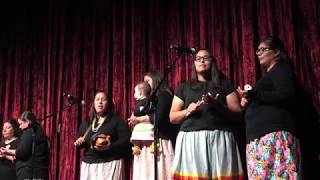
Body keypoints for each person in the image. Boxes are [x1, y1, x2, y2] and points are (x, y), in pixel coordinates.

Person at [170, 48, 244, 179]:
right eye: (198, 58)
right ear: (194, 63)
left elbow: (238, 114)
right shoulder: (184, 87)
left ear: (212, 62)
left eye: (206, 58)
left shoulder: (224, 85)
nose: (202, 61)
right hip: (191, 139)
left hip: (220, 138)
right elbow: (173, 117)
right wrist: (188, 111)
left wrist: (217, 105)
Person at [237, 36, 301, 179]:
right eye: (257, 50)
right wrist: (247, 102)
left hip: (274, 135)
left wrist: (254, 94)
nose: (258, 53)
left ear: (276, 52)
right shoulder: (268, 75)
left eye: (263, 49)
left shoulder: (281, 69)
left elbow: (286, 95)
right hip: (260, 138)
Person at [128, 70, 178, 180]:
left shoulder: (164, 95)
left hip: (159, 142)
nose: (145, 84)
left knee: (160, 174)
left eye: (147, 81)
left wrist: (138, 119)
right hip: (145, 143)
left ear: (156, 80)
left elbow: (159, 118)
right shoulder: (149, 101)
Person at [74, 91, 130, 180]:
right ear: (93, 103)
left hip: (110, 164)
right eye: (97, 99)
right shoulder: (87, 121)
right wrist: (79, 142)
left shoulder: (116, 120)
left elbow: (126, 140)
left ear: (108, 103)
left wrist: (110, 146)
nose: (100, 102)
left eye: (103, 100)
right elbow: (79, 140)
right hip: (89, 165)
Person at [1, 111, 49, 180]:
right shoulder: (37, 131)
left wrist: (7, 151)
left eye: (21, 124)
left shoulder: (29, 131)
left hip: (31, 174)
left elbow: (22, 152)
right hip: (36, 173)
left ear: (27, 122)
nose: (20, 127)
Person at [129, 81, 154, 155]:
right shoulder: (142, 102)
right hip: (140, 126)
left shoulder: (146, 101)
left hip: (146, 125)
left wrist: (135, 114)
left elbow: (140, 111)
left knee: (150, 135)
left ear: (140, 92)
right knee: (137, 135)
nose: (134, 95)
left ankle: (153, 144)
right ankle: (137, 146)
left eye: (135, 92)